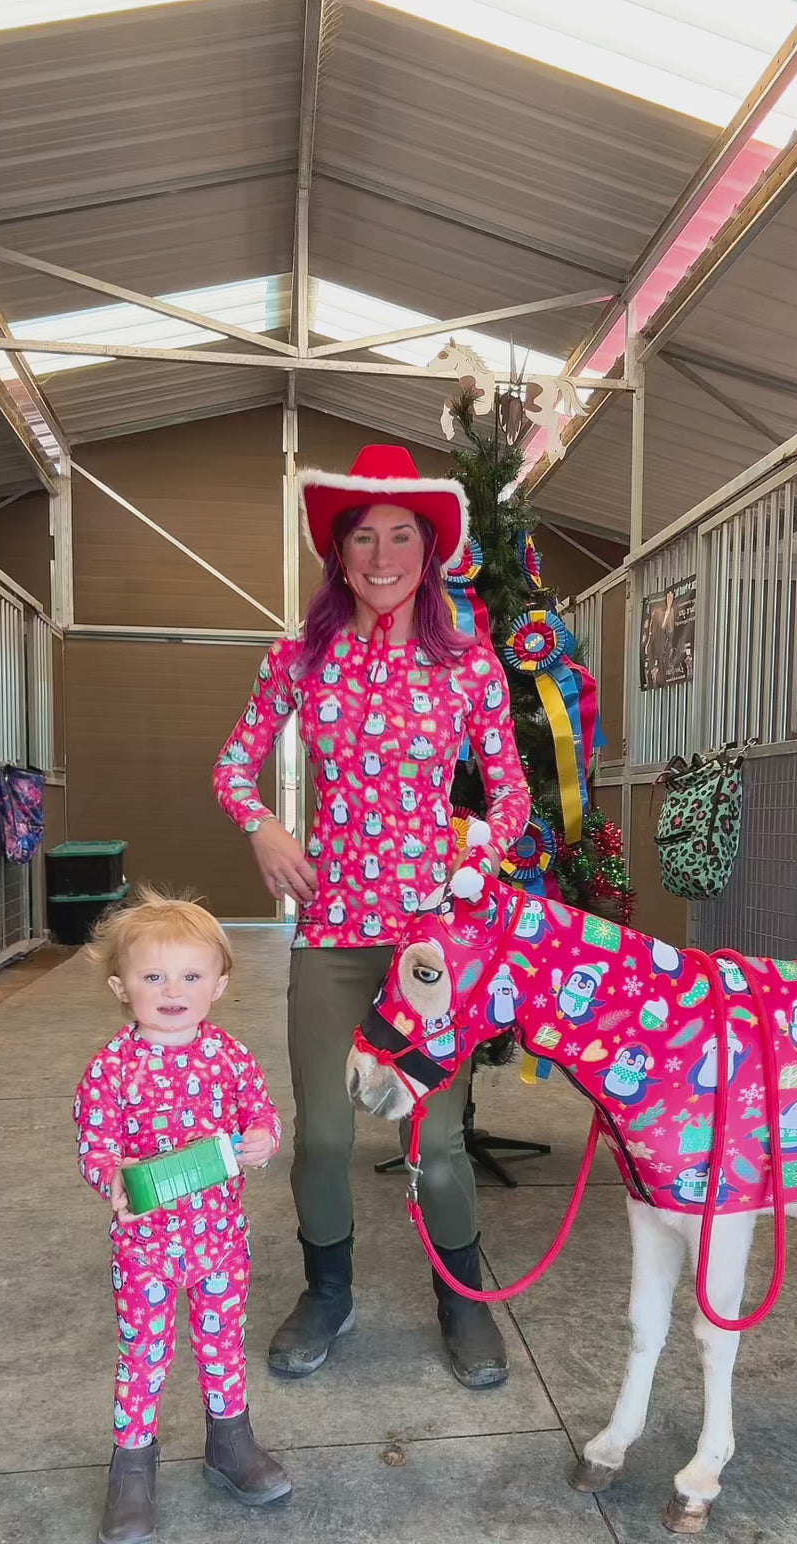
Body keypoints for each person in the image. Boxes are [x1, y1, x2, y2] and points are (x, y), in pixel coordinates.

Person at [214, 444, 530, 1389]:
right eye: (364, 537)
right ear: (338, 551)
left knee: (434, 1143)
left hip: (429, 944)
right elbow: (233, 765)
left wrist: (471, 861)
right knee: (322, 1134)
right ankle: (327, 1291)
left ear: (428, 554)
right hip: (333, 935)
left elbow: (510, 797)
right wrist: (264, 824)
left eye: (402, 537)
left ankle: (461, 1301)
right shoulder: (300, 657)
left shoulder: (469, 666)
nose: (382, 555)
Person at [73, 889, 289, 1544]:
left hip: (221, 1243)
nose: (174, 990)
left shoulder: (229, 1055)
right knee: (144, 1356)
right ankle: (132, 1469)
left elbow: (261, 1114)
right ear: (121, 986)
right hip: (146, 1252)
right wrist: (110, 1177)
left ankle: (231, 1444)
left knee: (225, 1345)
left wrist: (262, 1137)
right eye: (153, 976)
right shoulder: (111, 1068)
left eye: (191, 975)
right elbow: (96, 1143)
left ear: (218, 984)